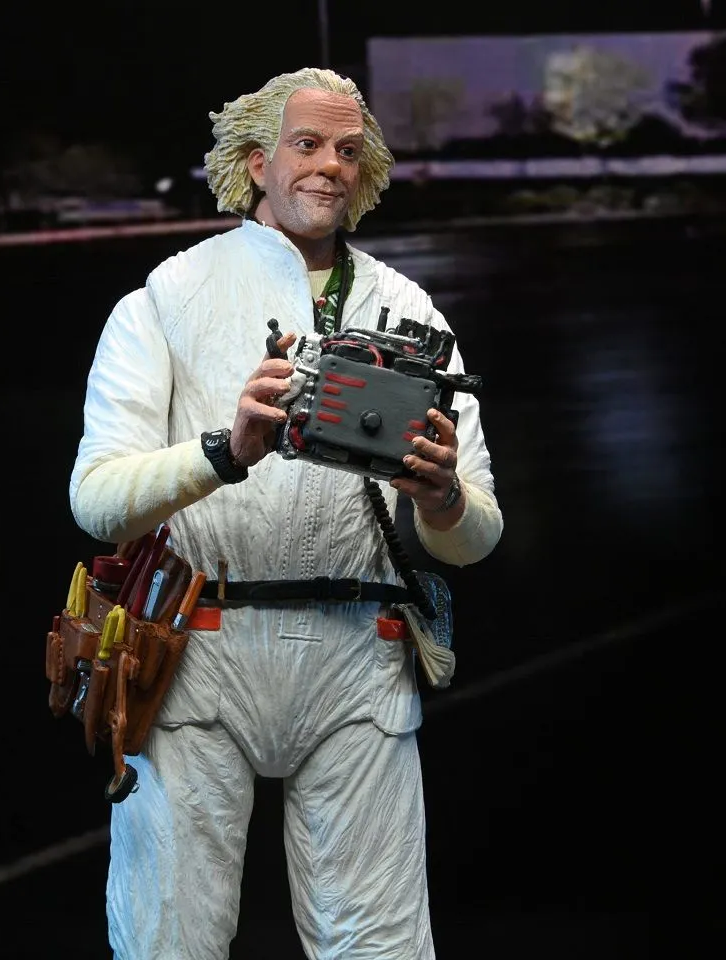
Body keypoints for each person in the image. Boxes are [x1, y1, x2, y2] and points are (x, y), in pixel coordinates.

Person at [69, 66, 503, 960]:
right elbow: (98, 500)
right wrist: (223, 452)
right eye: (306, 145)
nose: (330, 166)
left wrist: (443, 497)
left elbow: (476, 536)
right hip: (199, 655)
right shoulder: (169, 298)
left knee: (381, 944)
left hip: (360, 657)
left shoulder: (410, 311)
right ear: (255, 162)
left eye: (348, 150)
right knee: (167, 939)